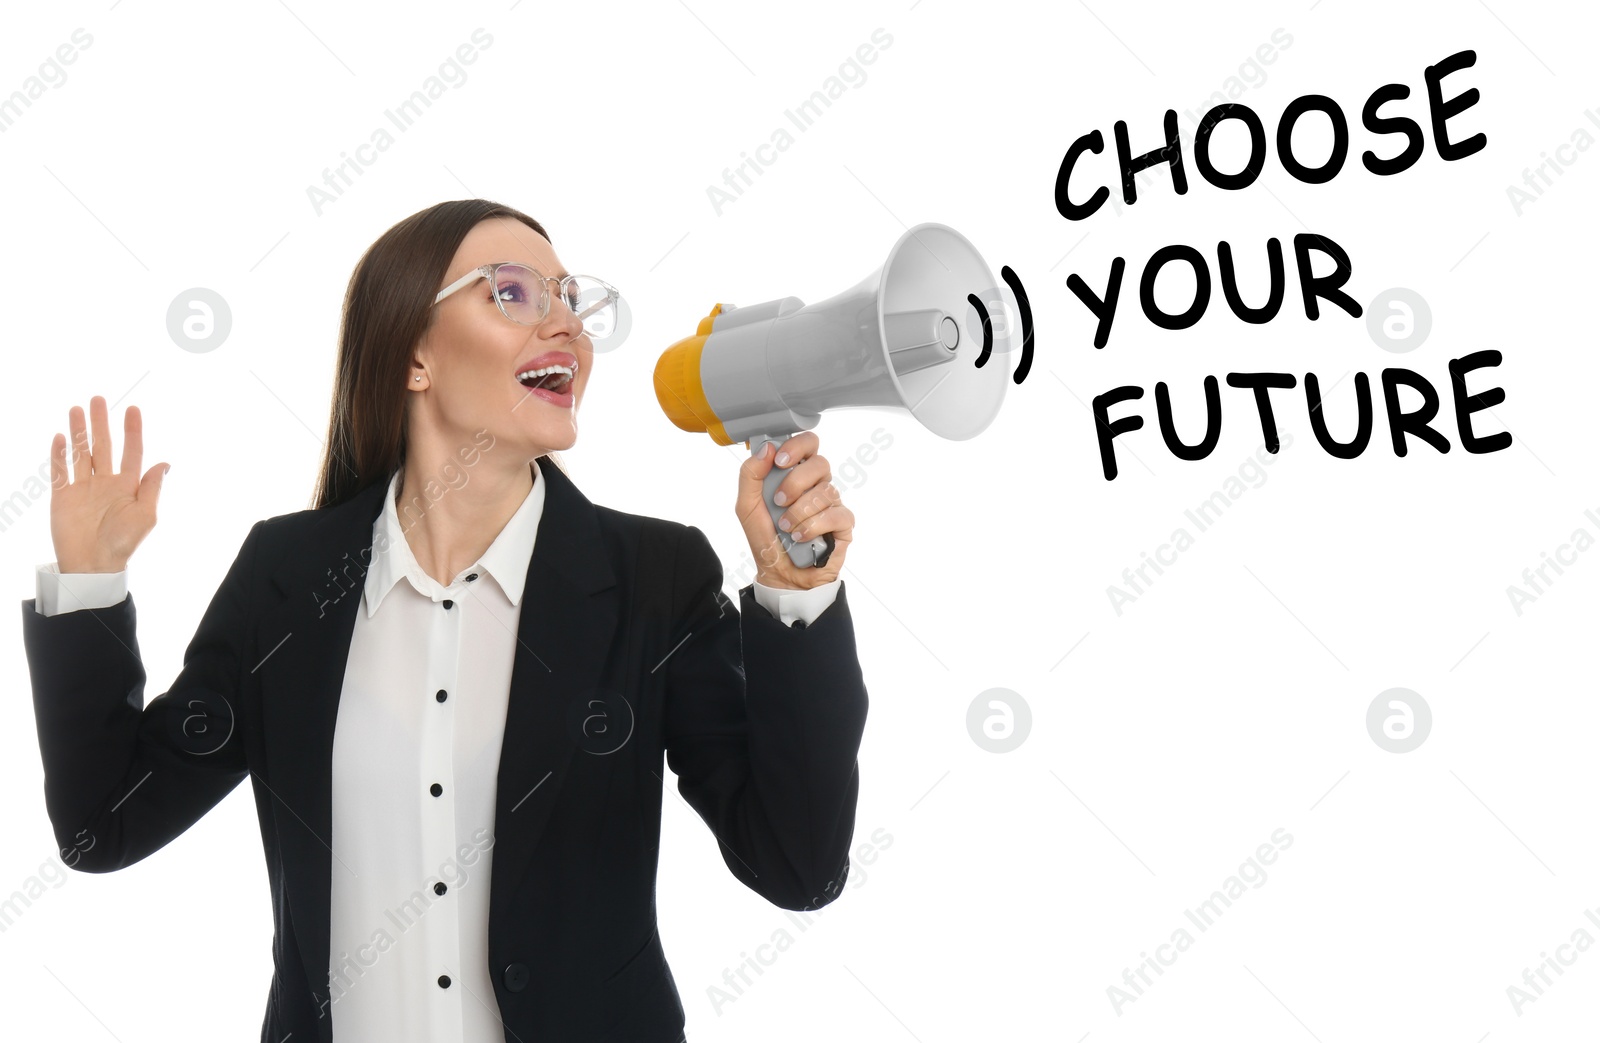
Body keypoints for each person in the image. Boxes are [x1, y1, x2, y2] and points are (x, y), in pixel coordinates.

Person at [21, 199, 871, 1042]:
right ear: (413, 355)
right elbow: (105, 825)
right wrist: (91, 582)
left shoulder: (654, 579)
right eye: (514, 291)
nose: (567, 326)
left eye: (570, 298)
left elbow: (797, 865)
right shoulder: (287, 578)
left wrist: (794, 592)